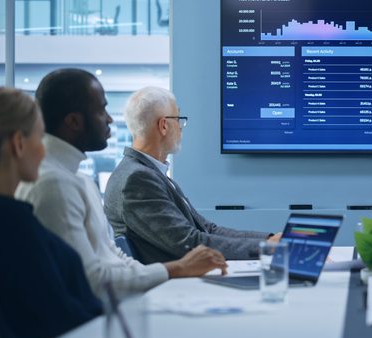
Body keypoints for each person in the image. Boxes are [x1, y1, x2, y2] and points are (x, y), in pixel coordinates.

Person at [15, 69, 228, 299]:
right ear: (74, 121)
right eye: (101, 110)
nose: (109, 119)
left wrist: (169, 272)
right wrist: (176, 269)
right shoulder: (54, 184)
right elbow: (90, 281)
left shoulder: (78, 180)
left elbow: (112, 255)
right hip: (90, 324)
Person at [0, 86, 101, 338]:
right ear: (18, 144)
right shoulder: (12, 230)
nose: (43, 151)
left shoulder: (3, 220)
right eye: (40, 138)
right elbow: (64, 322)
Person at [104, 86, 278, 263]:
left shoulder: (149, 173)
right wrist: (267, 248)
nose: (181, 128)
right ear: (164, 125)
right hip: (173, 285)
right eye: (178, 119)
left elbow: (207, 229)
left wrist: (267, 240)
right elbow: (189, 243)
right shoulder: (138, 179)